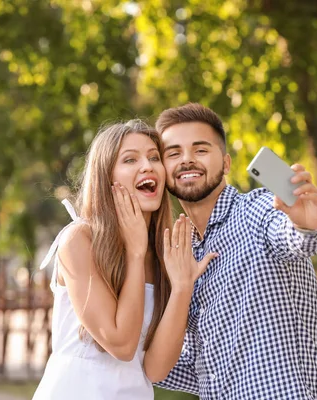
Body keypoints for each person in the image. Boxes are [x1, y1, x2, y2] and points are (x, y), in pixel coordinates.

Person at [153, 104, 317, 399]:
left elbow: (298, 238)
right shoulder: (181, 254)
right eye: (173, 153)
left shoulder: (257, 211)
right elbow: (197, 367)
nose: (187, 160)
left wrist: (307, 225)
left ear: (226, 164)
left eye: (200, 150)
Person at [32, 120, 217, 400]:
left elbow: (155, 370)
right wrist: (134, 252)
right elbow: (121, 343)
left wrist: (182, 287)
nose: (147, 166)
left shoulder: (163, 253)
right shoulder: (79, 240)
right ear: (107, 178)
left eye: (154, 157)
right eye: (130, 159)